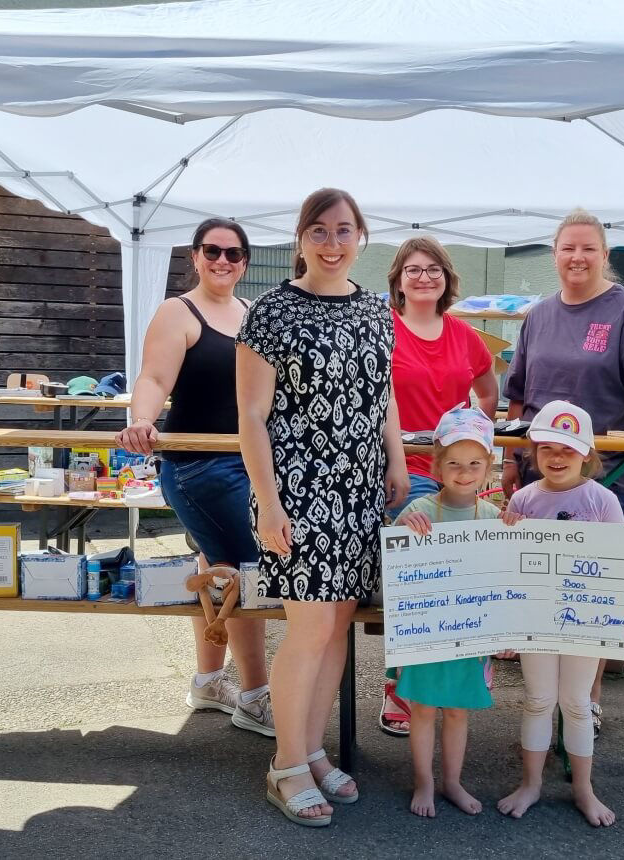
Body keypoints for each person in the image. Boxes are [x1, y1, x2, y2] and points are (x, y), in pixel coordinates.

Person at [236, 188, 409, 827]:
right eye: (320, 231)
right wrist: (269, 503)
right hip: (299, 488)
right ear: (300, 236)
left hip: (359, 486)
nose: (333, 244)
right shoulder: (272, 313)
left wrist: (395, 458)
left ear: (361, 235)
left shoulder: (373, 309)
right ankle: (284, 764)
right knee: (309, 628)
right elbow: (251, 416)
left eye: (344, 231)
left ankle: (310, 748)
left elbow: (383, 389)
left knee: (338, 624)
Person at [501, 207, 624, 733]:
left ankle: (585, 703)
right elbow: (518, 397)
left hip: (603, 478)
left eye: (588, 248)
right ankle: (540, 703)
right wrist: (512, 460)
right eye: (567, 248)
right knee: (538, 587)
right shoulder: (538, 314)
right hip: (538, 476)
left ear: (605, 255)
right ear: (553, 255)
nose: (577, 257)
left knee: (588, 592)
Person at [116, 217, 273, 737]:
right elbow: (154, 377)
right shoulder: (176, 311)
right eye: (213, 251)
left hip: (250, 462)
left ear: (245, 262)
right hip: (198, 467)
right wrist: (142, 419)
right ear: (196, 255)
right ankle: (254, 695)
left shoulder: (254, 314)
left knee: (216, 567)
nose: (222, 261)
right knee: (245, 570)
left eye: (233, 253)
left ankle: (209, 682)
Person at [496, 400, 624, 827]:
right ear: (534, 453)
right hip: (536, 621)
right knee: (539, 700)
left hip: (587, 620)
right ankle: (531, 784)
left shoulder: (602, 501)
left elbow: (622, 567)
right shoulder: (524, 498)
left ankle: (584, 789)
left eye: (567, 449)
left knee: (577, 704)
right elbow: (509, 564)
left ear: (586, 453)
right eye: (546, 449)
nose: (557, 457)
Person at [380, 236, 499, 737]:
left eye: (433, 269)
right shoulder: (381, 330)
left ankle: (461, 673)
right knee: (416, 581)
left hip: (457, 474)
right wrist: (392, 463)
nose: (424, 277)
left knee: (466, 577)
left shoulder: (466, 335)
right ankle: (400, 686)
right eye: (413, 269)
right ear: (398, 279)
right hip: (401, 470)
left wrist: (474, 444)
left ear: (448, 278)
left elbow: (489, 390)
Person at [390, 407, 522, 818]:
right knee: (424, 710)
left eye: (474, 463)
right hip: (427, 635)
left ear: (488, 467)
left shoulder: (495, 517)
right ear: (437, 465)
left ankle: (452, 782)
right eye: (453, 463)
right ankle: (424, 782)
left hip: (469, 637)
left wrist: (515, 528)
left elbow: (509, 578)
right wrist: (402, 527)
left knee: (458, 712)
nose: (464, 472)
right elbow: (395, 566)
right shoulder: (422, 513)